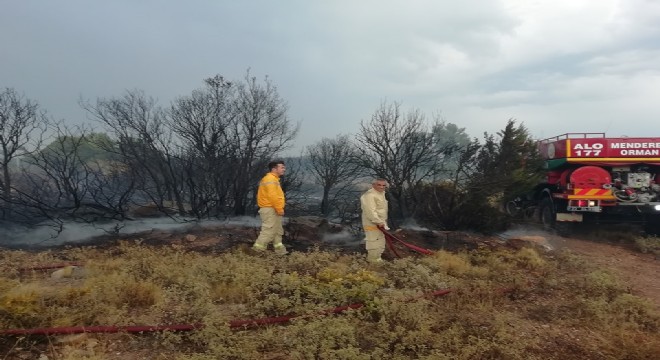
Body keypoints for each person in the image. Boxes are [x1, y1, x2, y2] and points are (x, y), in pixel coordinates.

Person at [252, 160, 288, 255]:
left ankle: (280, 252)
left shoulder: (273, 179)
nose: (284, 169)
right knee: (268, 230)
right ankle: (256, 251)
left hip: (273, 208)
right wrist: (279, 209)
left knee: (277, 231)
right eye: (282, 167)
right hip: (270, 209)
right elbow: (273, 196)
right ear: (274, 169)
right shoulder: (270, 179)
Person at [360, 178, 389, 263]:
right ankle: (372, 262)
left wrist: (382, 222)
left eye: (383, 185)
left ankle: (378, 260)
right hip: (372, 223)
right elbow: (370, 211)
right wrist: (378, 221)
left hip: (381, 223)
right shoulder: (369, 195)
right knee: (373, 242)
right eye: (379, 185)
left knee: (380, 241)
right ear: (373, 185)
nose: (381, 187)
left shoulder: (381, 193)